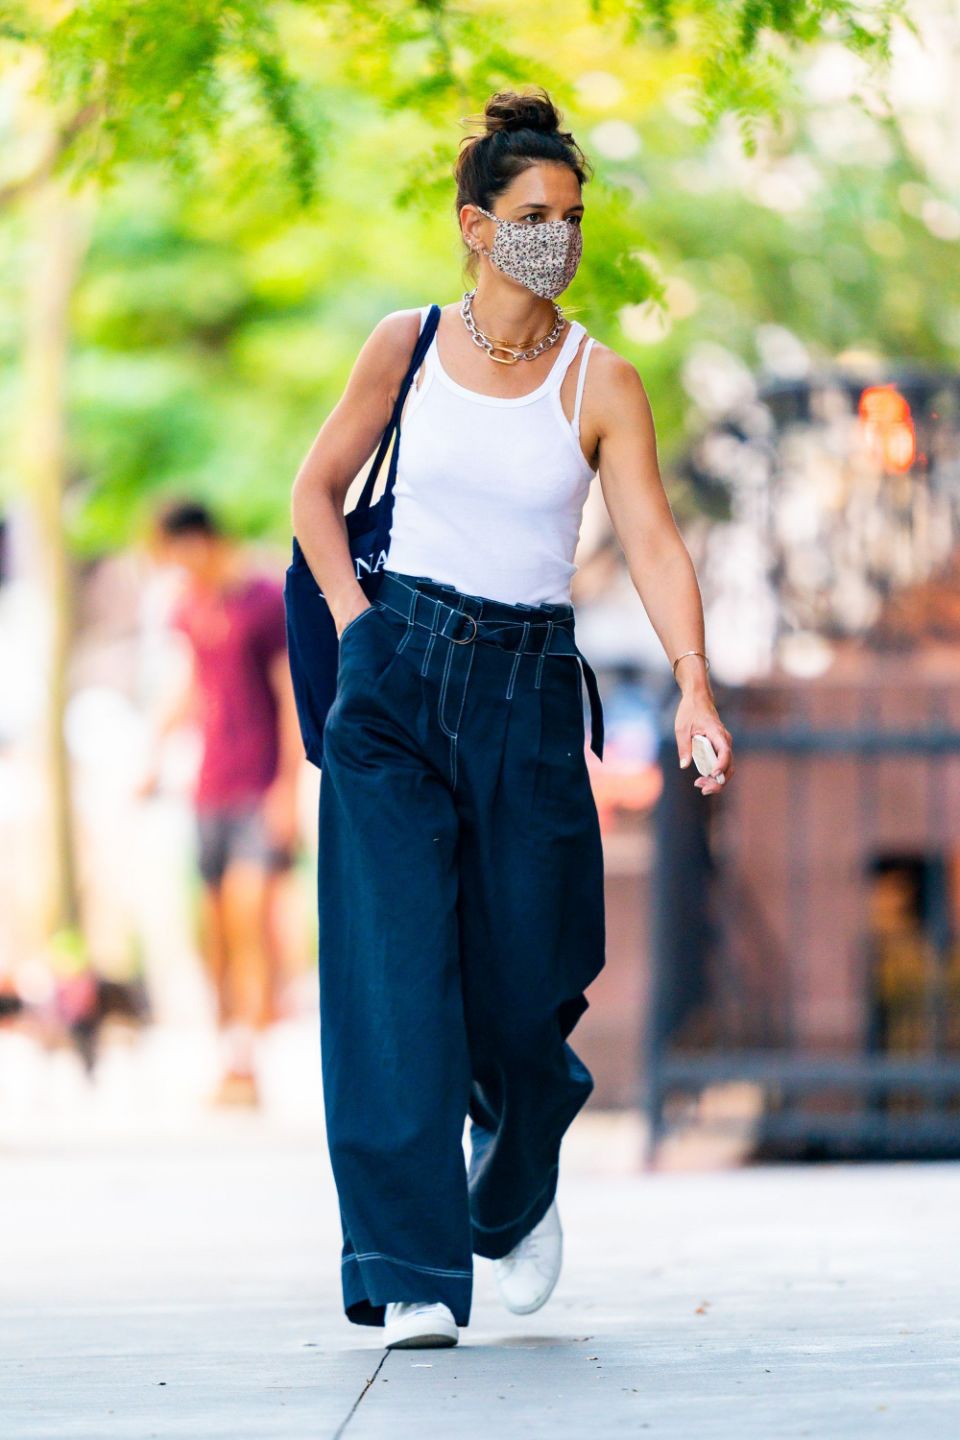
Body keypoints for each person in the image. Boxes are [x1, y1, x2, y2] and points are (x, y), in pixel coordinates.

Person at [291, 86, 734, 1350]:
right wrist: (357, 624)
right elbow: (314, 493)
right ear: (477, 227)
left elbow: (648, 534)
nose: (560, 237)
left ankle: (522, 1159)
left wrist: (693, 677)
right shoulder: (406, 343)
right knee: (391, 985)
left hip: (529, 694)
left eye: (575, 217)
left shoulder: (604, 379)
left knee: (527, 984)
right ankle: (412, 1270)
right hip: (396, 679)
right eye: (535, 216)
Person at [142, 500, 303, 1106]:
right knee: (213, 927)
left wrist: (289, 789)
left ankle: (247, 1057)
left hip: (260, 785)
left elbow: (289, 697)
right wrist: (152, 755)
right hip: (208, 786)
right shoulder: (189, 608)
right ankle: (226, 1051)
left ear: (203, 541)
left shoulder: (264, 602)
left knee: (248, 914)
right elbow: (190, 686)